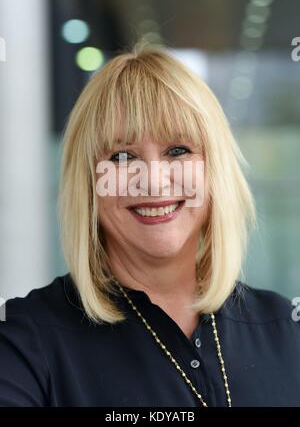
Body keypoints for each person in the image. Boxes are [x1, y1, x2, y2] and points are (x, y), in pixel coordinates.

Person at [0, 46, 299, 407]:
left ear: (214, 172)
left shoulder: (287, 328)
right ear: (89, 185)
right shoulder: (22, 343)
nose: (154, 182)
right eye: (122, 157)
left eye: (178, 151)